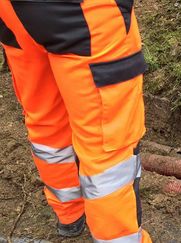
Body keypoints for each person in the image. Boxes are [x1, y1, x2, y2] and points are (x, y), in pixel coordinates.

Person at [0, 1, 151, 242]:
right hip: (83, 12)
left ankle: (69, 214)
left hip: (13, 12)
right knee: (107, 145)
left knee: (47, 118)